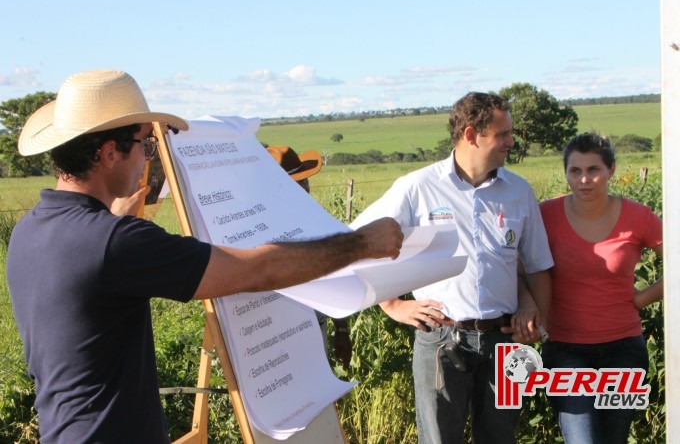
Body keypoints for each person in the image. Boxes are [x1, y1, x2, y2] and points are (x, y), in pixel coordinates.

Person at [5, 69, 403, 443]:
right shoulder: (116, 242)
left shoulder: (30, 231)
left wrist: (113, 223)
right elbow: (258, 270)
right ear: (110, 153)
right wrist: (360, 244)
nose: (149, 157)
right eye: (145, 144)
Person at [350, 91, 553, 444]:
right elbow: (360, 242)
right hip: (441, 339)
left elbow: (537, 266)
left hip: (505, 342)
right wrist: (393, 304)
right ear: (472, 135)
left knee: (500, 438)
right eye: (502, 134)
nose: (511, 141)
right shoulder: (417, 188)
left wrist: (536, 316)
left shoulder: (519, 191)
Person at [539, 133, 663, 444]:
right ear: (566, 172)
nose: (584, 179)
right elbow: (517, 267)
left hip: (624, 350)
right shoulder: (545, 215)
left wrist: (641, 299)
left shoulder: (638, 217)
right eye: (574, 171)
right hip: (565, 350)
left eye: (593, 169)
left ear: (611, 170)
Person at [266, 144, 352, 369]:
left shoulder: (315, 221)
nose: (306, 187)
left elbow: (334, 277)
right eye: (298, 183)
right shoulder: (264, 230)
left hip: (315, 326)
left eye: (306, 181)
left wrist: (341, 329)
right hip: (278, 337)